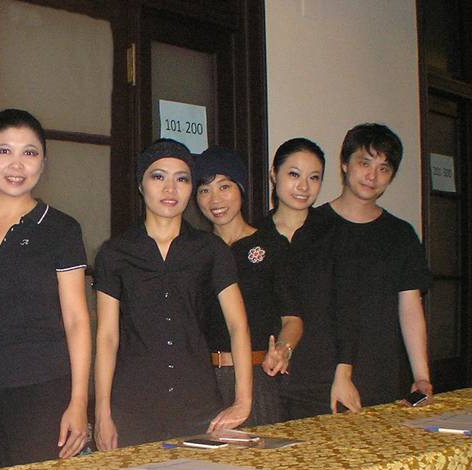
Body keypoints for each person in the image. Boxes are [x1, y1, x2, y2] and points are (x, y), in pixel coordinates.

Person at [0, 109, 91, 470]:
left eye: (29, 153)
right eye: (4, 151)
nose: (16, 165)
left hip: (43, 391)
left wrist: (79, 401)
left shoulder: (61, 229)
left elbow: (77, 320)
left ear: (43, 162)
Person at [93, 139, 252, 450]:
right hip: (132, 406)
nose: (170, 189)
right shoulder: (115, 253)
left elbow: (238, 326)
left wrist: (243, 401)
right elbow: (107, 337)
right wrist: (102, 413)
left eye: (182, 179)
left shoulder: (211, 250)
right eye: (158, 177)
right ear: (141, 185)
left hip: (199, 405)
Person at [321, 123, 432, 408]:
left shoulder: (401, 235)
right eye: (365, 163)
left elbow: (410, 306)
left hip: (384, 373)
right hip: (321, 374)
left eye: (384, 168)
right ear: (345, 164)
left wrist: (421, 377)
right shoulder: (313, 227)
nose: (372, 176)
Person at [193, 146, 303, 425]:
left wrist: (284, 349)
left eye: (224, 187)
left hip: (257, 376)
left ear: (241, 189)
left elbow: (293, 319)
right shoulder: (196, 252)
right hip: (202, 379)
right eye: (204, 190)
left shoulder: (271, 245)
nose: (215, 199)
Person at [258, 138, 354, 418]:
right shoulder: (254, 234)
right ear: (274, 174)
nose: (303, 186)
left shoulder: (335, 233)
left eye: (314, 178)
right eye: (294, 174)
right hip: (266, 376)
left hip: (322, 376)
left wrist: (344, 374)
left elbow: (347, 309)